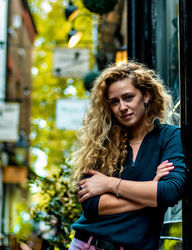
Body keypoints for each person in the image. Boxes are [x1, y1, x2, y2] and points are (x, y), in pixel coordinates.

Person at [69, 62, 186, 250]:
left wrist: (109, 184)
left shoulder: (169, 137)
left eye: (128, 97)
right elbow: (91, 204)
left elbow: (170, 191)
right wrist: (150, 193)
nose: (122, 107)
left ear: (146, 96)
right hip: (89, 244)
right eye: (114, 101)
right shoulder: (102, 142)